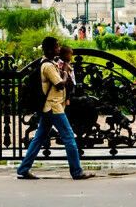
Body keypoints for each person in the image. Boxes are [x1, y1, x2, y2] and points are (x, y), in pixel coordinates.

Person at [17, 37, 93, 181]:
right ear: (50, 49)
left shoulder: (50, 63)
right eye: (57, 47)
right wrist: (64, 73)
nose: (59, 49)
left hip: (50, 107)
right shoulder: (48, 66)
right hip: (54, 107)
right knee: (69, 137)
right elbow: (59, 84)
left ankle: (23, 168)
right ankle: (76, 171)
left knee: (39, 138)